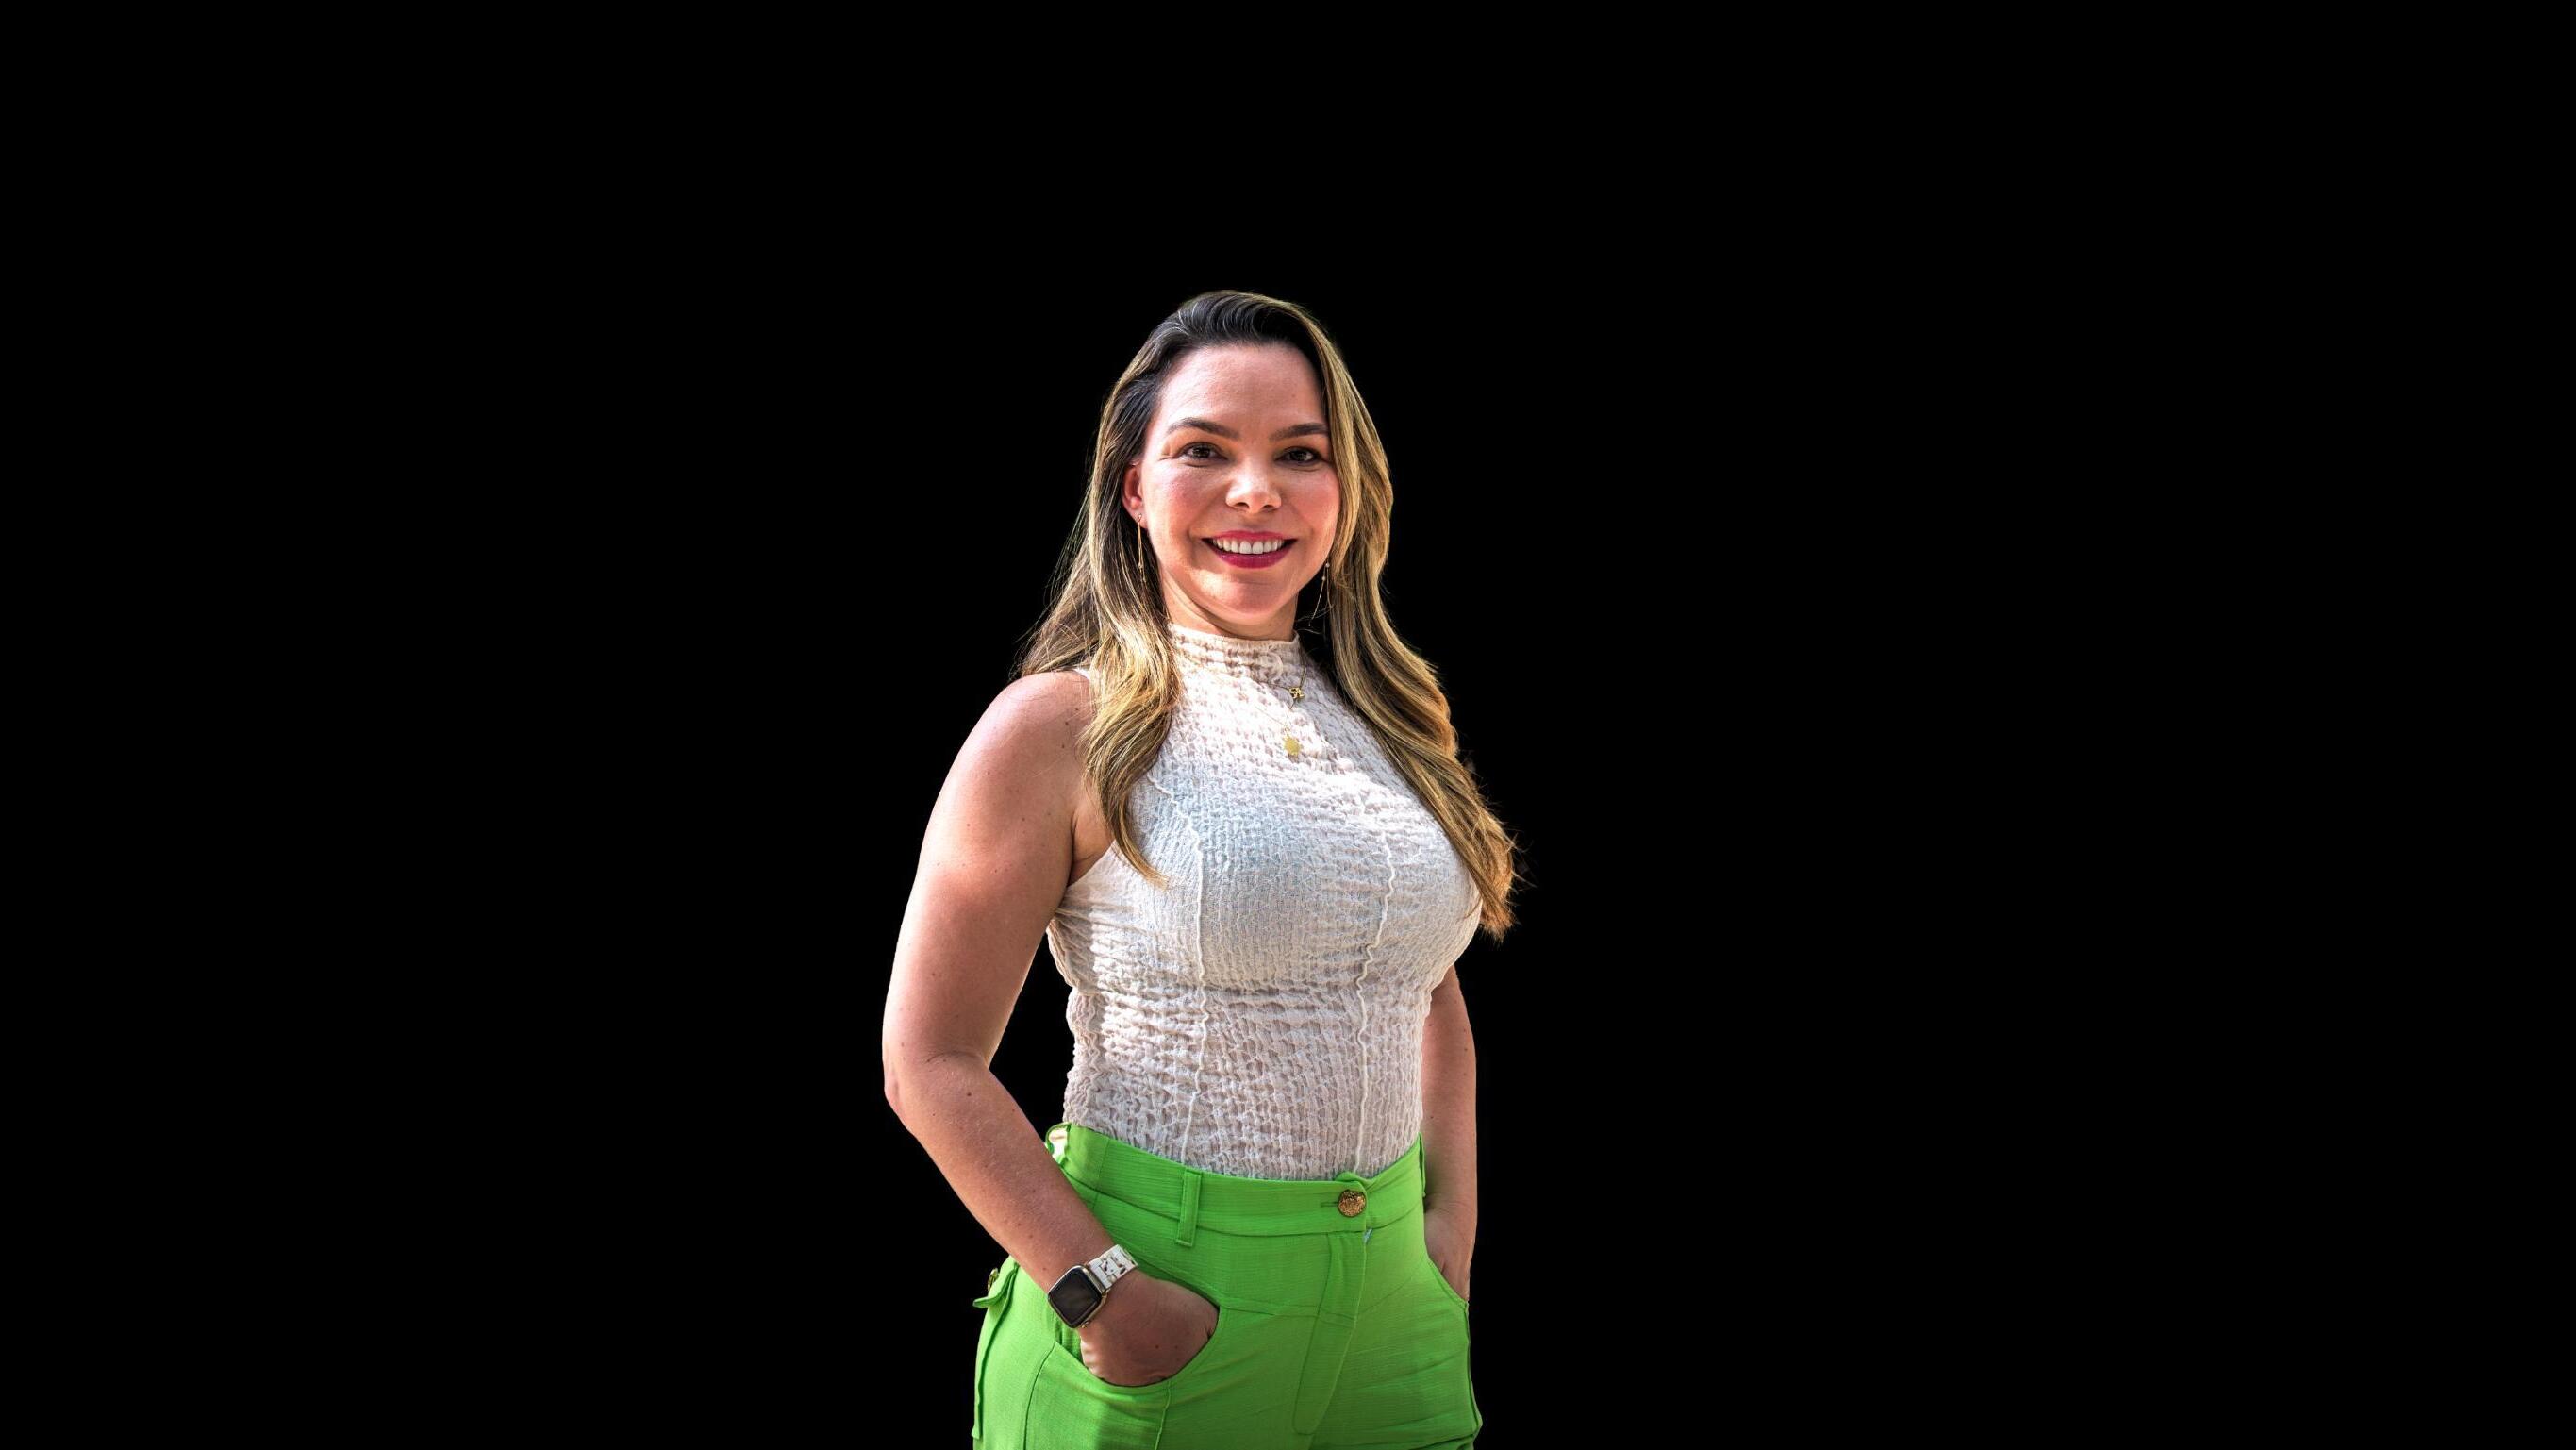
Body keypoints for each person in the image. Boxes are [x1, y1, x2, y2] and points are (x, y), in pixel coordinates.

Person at [883, 290, 1521, 1448]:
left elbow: (1425, 984)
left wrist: (1449, 1237)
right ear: (1134, 487)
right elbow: (927, 1060)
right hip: (1157, 1303)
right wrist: (1105, 1296)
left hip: (1396, 1315)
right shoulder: (1058, 726)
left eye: (1300, 453)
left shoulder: (1392, 723)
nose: (1255, 489)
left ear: (1344, 489)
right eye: (1204, 450)